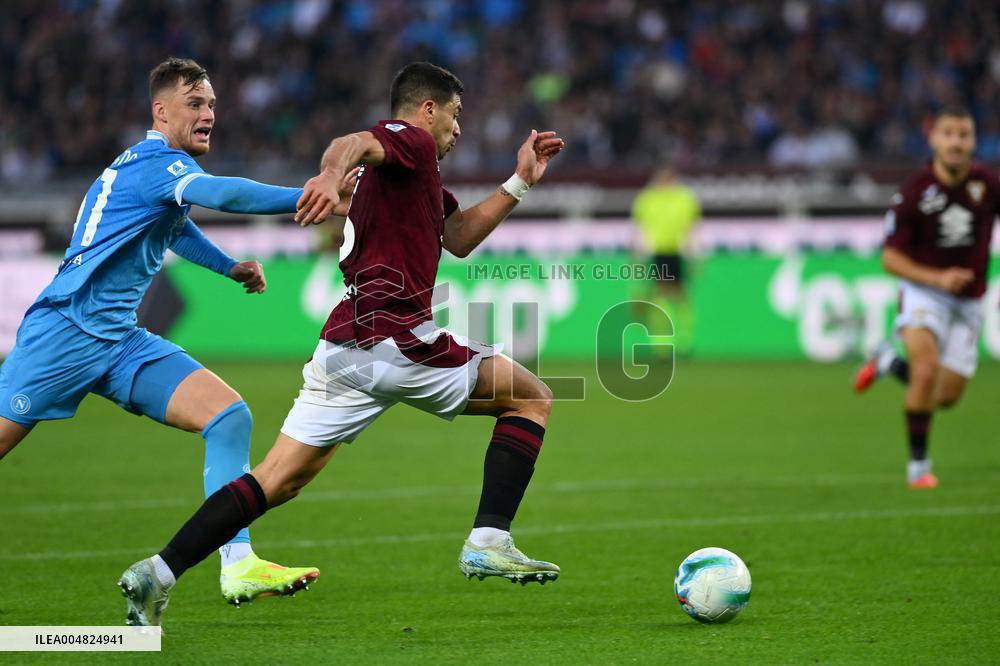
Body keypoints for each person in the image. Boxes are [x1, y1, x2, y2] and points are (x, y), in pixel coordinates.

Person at [117, 61, 565, 626]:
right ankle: (489, 537)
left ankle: (157, 573)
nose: (459, 130)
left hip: (345, 347)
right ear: (427, 111)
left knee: (276, 479)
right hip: (398, 337)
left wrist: (520, 180)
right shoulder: (411, 144)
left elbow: (459, 238)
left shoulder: (410, 180)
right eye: (455, 116)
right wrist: (329, 175)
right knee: (532, 398)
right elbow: (351, 142)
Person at [0, 57, 323, 610]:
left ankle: (238, 562)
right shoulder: (155, 165)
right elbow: (230, 196)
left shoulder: (161, 176)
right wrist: (311, 193)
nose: (208, 114)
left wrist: (228, 267)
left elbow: (178, 227)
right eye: (196, 104)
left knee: (228, 417)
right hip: (64, 333)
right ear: (162, 111)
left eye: (213, 105)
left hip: (119, 341)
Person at [853, 107, 998, 488]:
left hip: (969, 300)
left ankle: (887, 362)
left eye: (963, 134)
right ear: (933, 139)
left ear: (972, 141)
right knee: (926, 369)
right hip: (924, 291)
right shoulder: (914, 193)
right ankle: (919, 468)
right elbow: (889, 258)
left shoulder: (987, 184)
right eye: (948, 133)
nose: (956, 142)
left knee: (947, 396)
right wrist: (938, 277)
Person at [631, 165, 701, 354]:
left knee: (677, 296)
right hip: (657, 253)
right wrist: (638, 257)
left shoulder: (683, 198)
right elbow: (640, 230)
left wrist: (695, 255)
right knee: (663, 296)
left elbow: (691, 229)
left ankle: (682, 341)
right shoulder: (649, 199)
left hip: (677, 252)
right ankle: (663, 344)